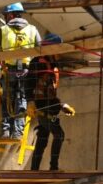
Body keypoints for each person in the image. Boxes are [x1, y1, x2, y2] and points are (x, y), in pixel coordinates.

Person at [27, 34, 75, 172]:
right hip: (41, 107)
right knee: (59, 135)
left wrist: (62, 106)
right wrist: (30, 102)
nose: (60, 52)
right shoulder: (38, 62)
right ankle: (53, 168)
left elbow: (49, 92)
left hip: (49, 106)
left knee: (42, 139)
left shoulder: (52, 65)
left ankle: (34, 170)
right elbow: (29, 83)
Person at [0, 2, 40, 138]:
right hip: (26, 71)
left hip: (9, 70)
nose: (5, 18)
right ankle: (18, 132)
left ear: (11, 15)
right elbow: (40, 49)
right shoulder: (32, 29)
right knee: (22, 99)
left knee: (7, 98)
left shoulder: (3, 30)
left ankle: (5, 130)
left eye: (6, 15)